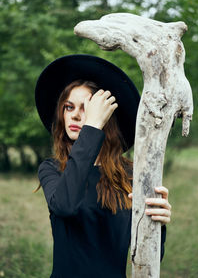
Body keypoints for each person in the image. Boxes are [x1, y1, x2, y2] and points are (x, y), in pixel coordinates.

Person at [34, 54, 171, 278]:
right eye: (69, 107)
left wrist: (158, 222)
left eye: (86, 108)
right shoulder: (52, 169)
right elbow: (65, 205)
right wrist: (93, 124)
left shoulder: (131, 175)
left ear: (107, 116)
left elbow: (151, 256)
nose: (76, 116)